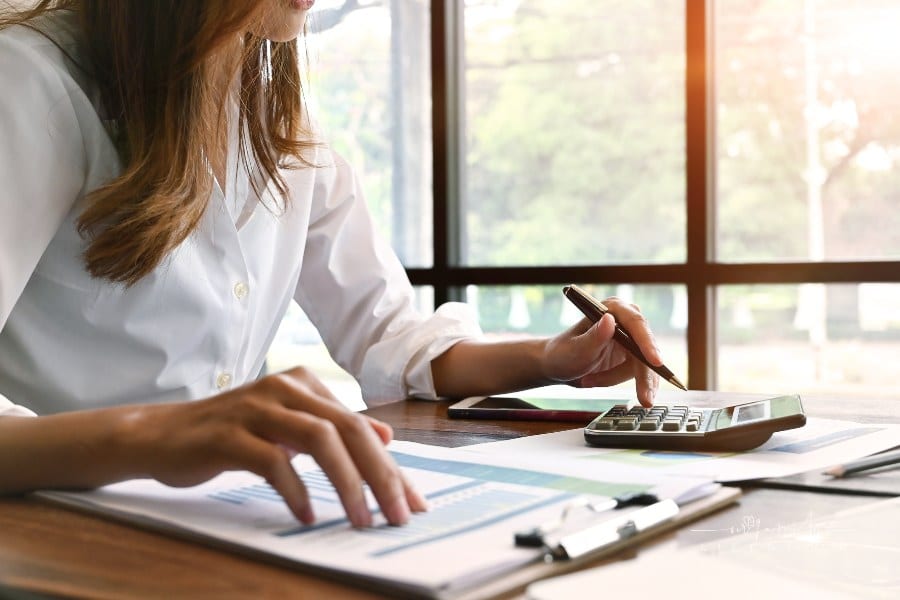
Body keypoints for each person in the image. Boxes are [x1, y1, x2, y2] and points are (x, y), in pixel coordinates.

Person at [0, 0, 665, 529]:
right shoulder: (28, 82)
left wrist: (550, 356)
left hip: (220, 526)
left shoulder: (279, 124)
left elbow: (390, 338)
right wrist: (160, 434)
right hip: (50, 536)